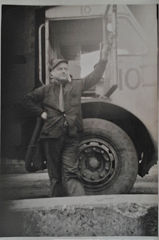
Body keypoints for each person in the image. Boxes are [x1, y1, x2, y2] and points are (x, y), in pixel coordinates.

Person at [23, 42, 111, 197]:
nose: (64, 71)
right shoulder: (46, 90)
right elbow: (26, 100)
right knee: (55, 176)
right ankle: (57, 207)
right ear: (52, 74)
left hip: (72, 136)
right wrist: (41, 113)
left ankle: (79, 205)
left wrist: (103, 59)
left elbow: (95, 77)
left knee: (71, 172)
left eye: (65, 69)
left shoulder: (77, 85)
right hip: (51, 137)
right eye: (60, 69)